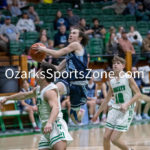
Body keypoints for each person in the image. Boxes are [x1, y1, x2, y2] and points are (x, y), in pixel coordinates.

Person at [0, 62, 73, 150]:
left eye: (38, 72)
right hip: (45, 128)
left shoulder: (49, 91)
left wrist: (49, 122)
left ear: (43, 77)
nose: (35, 75)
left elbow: (56, 108)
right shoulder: (38, 89)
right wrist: (8, 98)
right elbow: (24, 95)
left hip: (55, 126)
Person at [33, 27, 89, 123]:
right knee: (52, 90)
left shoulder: (76, 45)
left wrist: (43, 49)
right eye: (70, 32)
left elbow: (57, 54)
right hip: (68, 80)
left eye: (74, 33)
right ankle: (53, 115)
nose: (71, 34)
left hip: (78, 83)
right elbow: (58, 69)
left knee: (75, 119)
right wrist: (42, 61)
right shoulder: (69, 55)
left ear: (80, 38)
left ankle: (80, 112)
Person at [92, 55, 141, 150]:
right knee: (106, 137)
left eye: (118, 63)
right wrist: (97, 114)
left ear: (123, 66)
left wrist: (127, 104)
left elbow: (138, 94)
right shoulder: (112, 80)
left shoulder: (128, 77)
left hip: (126, 110)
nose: (115, 65)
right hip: (115, 109)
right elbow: (107, 99)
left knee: (114, 139)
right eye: (114, 63)